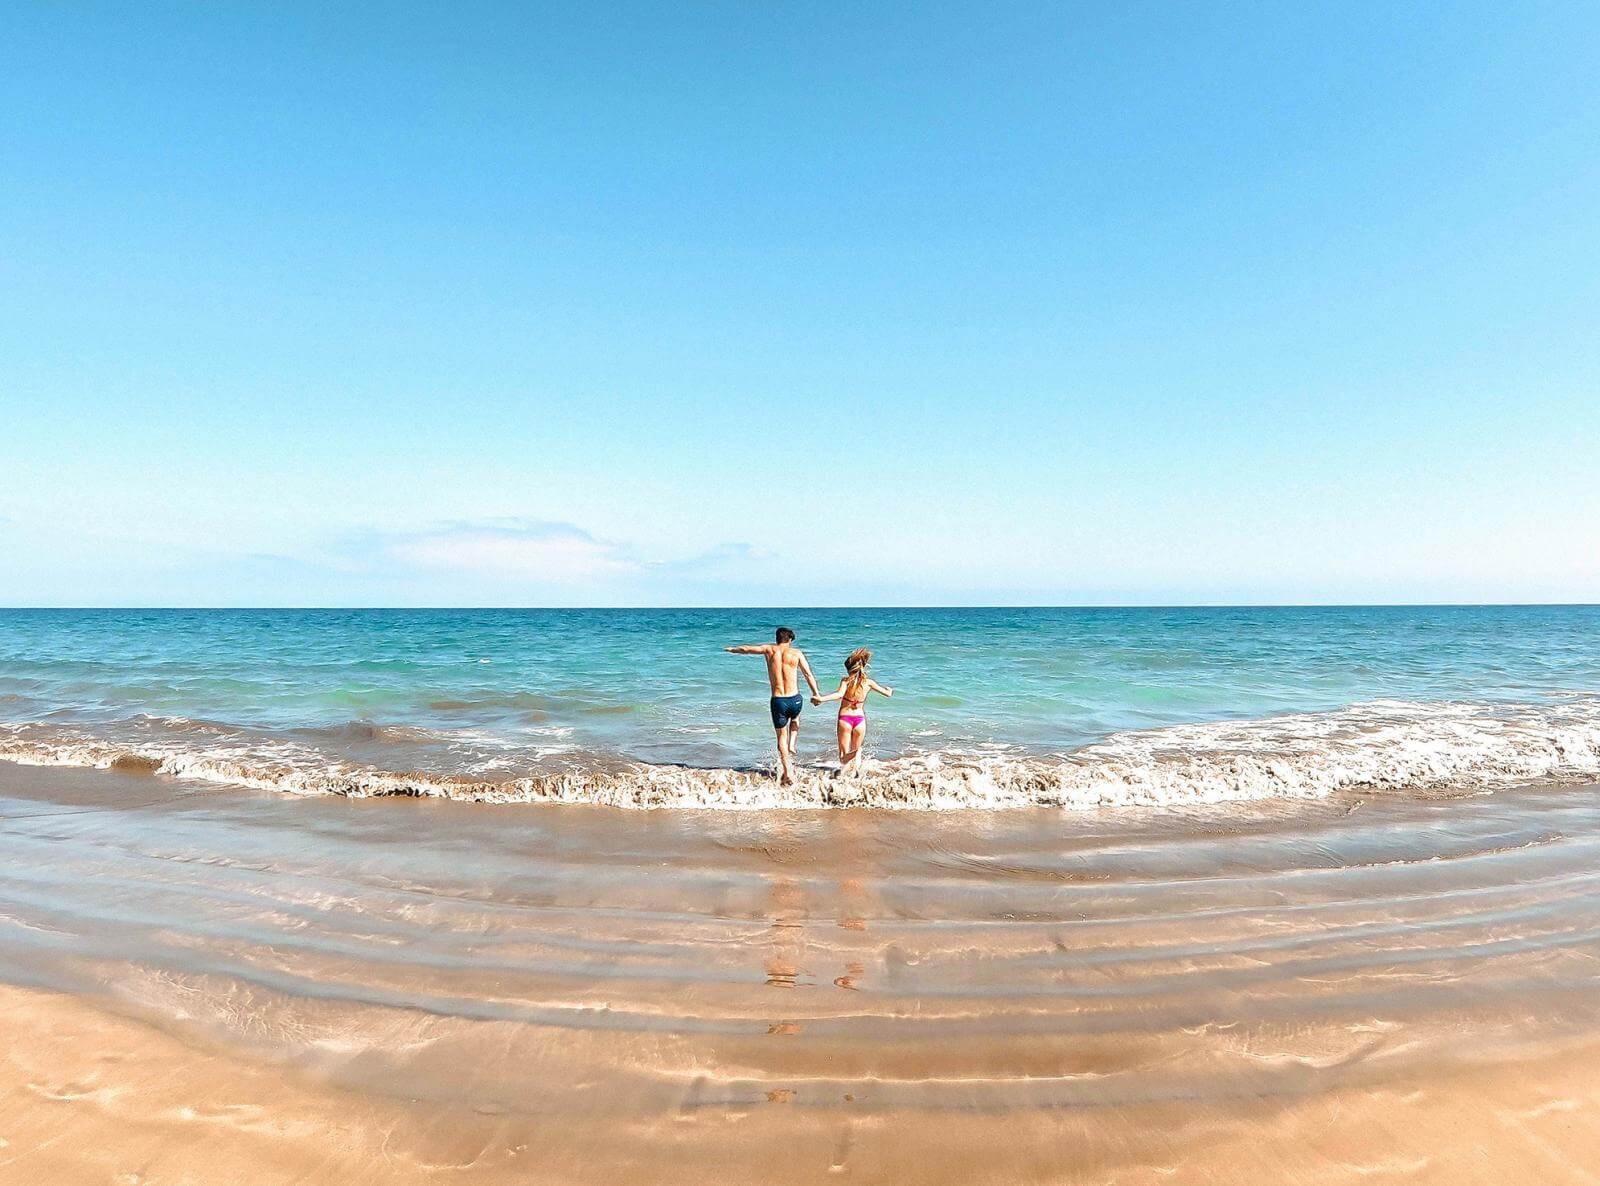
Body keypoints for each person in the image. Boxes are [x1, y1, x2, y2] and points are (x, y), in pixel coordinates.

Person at [725, 627, 821, 785]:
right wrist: (816, 693)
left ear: (777, 639)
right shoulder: (796, 654)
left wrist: (732, 649)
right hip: (795, 699)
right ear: (789, 640)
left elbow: (746, 649)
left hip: (778, 701)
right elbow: (808, 674)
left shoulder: (768, 649)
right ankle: (793, 744)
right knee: (796, 718)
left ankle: (787, 770)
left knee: (780, 737)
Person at [812, 647, 893, 775]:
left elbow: (839, 695)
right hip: (860, 721)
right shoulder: (869, 683)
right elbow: (888, 694)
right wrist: (889, 690)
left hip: (845, 719)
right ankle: (855, 773)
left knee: (843, 757)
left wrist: (821, 698)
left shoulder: (846, 681)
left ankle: (850, 765)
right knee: (855, 756)